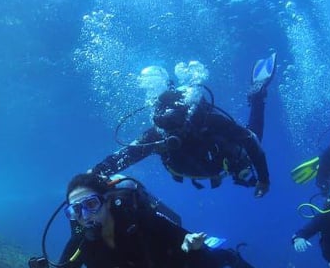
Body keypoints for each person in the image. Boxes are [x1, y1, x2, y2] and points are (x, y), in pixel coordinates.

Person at [33, 173, 271, 268]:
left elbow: (181, 235)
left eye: (91, 204)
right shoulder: (80, 242)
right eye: (76, 210)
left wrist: (190, 245)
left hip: (168, 265)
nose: (86, 216)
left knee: (204, 266)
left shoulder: (140, 219)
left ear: (106, 201)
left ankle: (231, 257)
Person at [89, 53, 276, 198]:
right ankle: (257, 97)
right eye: (165, 125)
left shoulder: (207, 120)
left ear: (185, 116)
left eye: (175, 125)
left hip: (229, 161)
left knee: (253, 138)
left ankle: (257, 97)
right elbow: (125, 155)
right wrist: (93, 175)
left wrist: (263, 180)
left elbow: (250, 140)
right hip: (208, 168)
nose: (172, 133)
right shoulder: (156, 135)